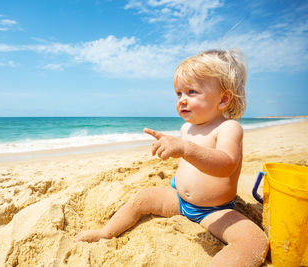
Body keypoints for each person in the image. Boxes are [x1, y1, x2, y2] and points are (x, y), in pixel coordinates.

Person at [75, 49, 269, 266]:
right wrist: (171, 146)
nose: (182, 100)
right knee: (143, 198)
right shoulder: (187, 128)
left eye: (191, 92)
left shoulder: (228, 128)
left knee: (253, 242)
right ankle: (106, 232)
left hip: (215, 210)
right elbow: (189, 161)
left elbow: (225, 164)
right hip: (179, 200)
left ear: (223, 99)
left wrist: (185, 149)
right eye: (179, 94)